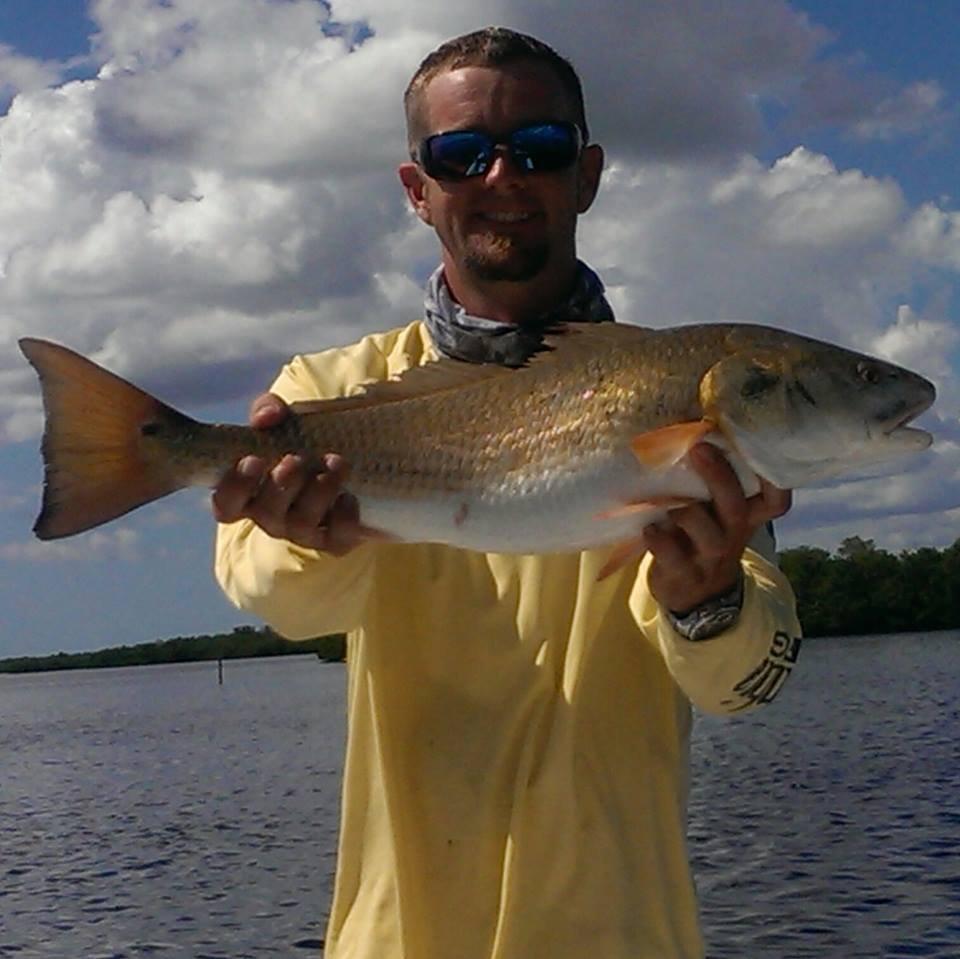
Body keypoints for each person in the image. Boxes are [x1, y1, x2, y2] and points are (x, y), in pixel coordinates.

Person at [212, 26, 802, 959]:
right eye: (460, 153)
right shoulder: (333, 394)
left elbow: (748, 681)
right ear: (418, 188)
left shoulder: (696, 389)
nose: (502, 176)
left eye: (541, 148)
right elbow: (273, 596)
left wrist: (709, 600)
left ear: (588, 173)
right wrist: (302, 537)